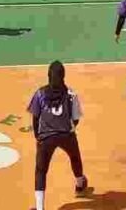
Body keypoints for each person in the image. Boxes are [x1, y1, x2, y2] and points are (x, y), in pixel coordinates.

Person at [27, 61, 88, 210]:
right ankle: (80, 183)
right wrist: (69, 129)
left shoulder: (40, 93)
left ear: (49, 76)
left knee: (41, 171)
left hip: (46, 137)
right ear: (63, 76)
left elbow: (35, 117)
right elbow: (76, 118)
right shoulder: (71, 94)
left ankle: (40, 208)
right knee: (75, 157)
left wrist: (38, 136)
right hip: (66, 134)